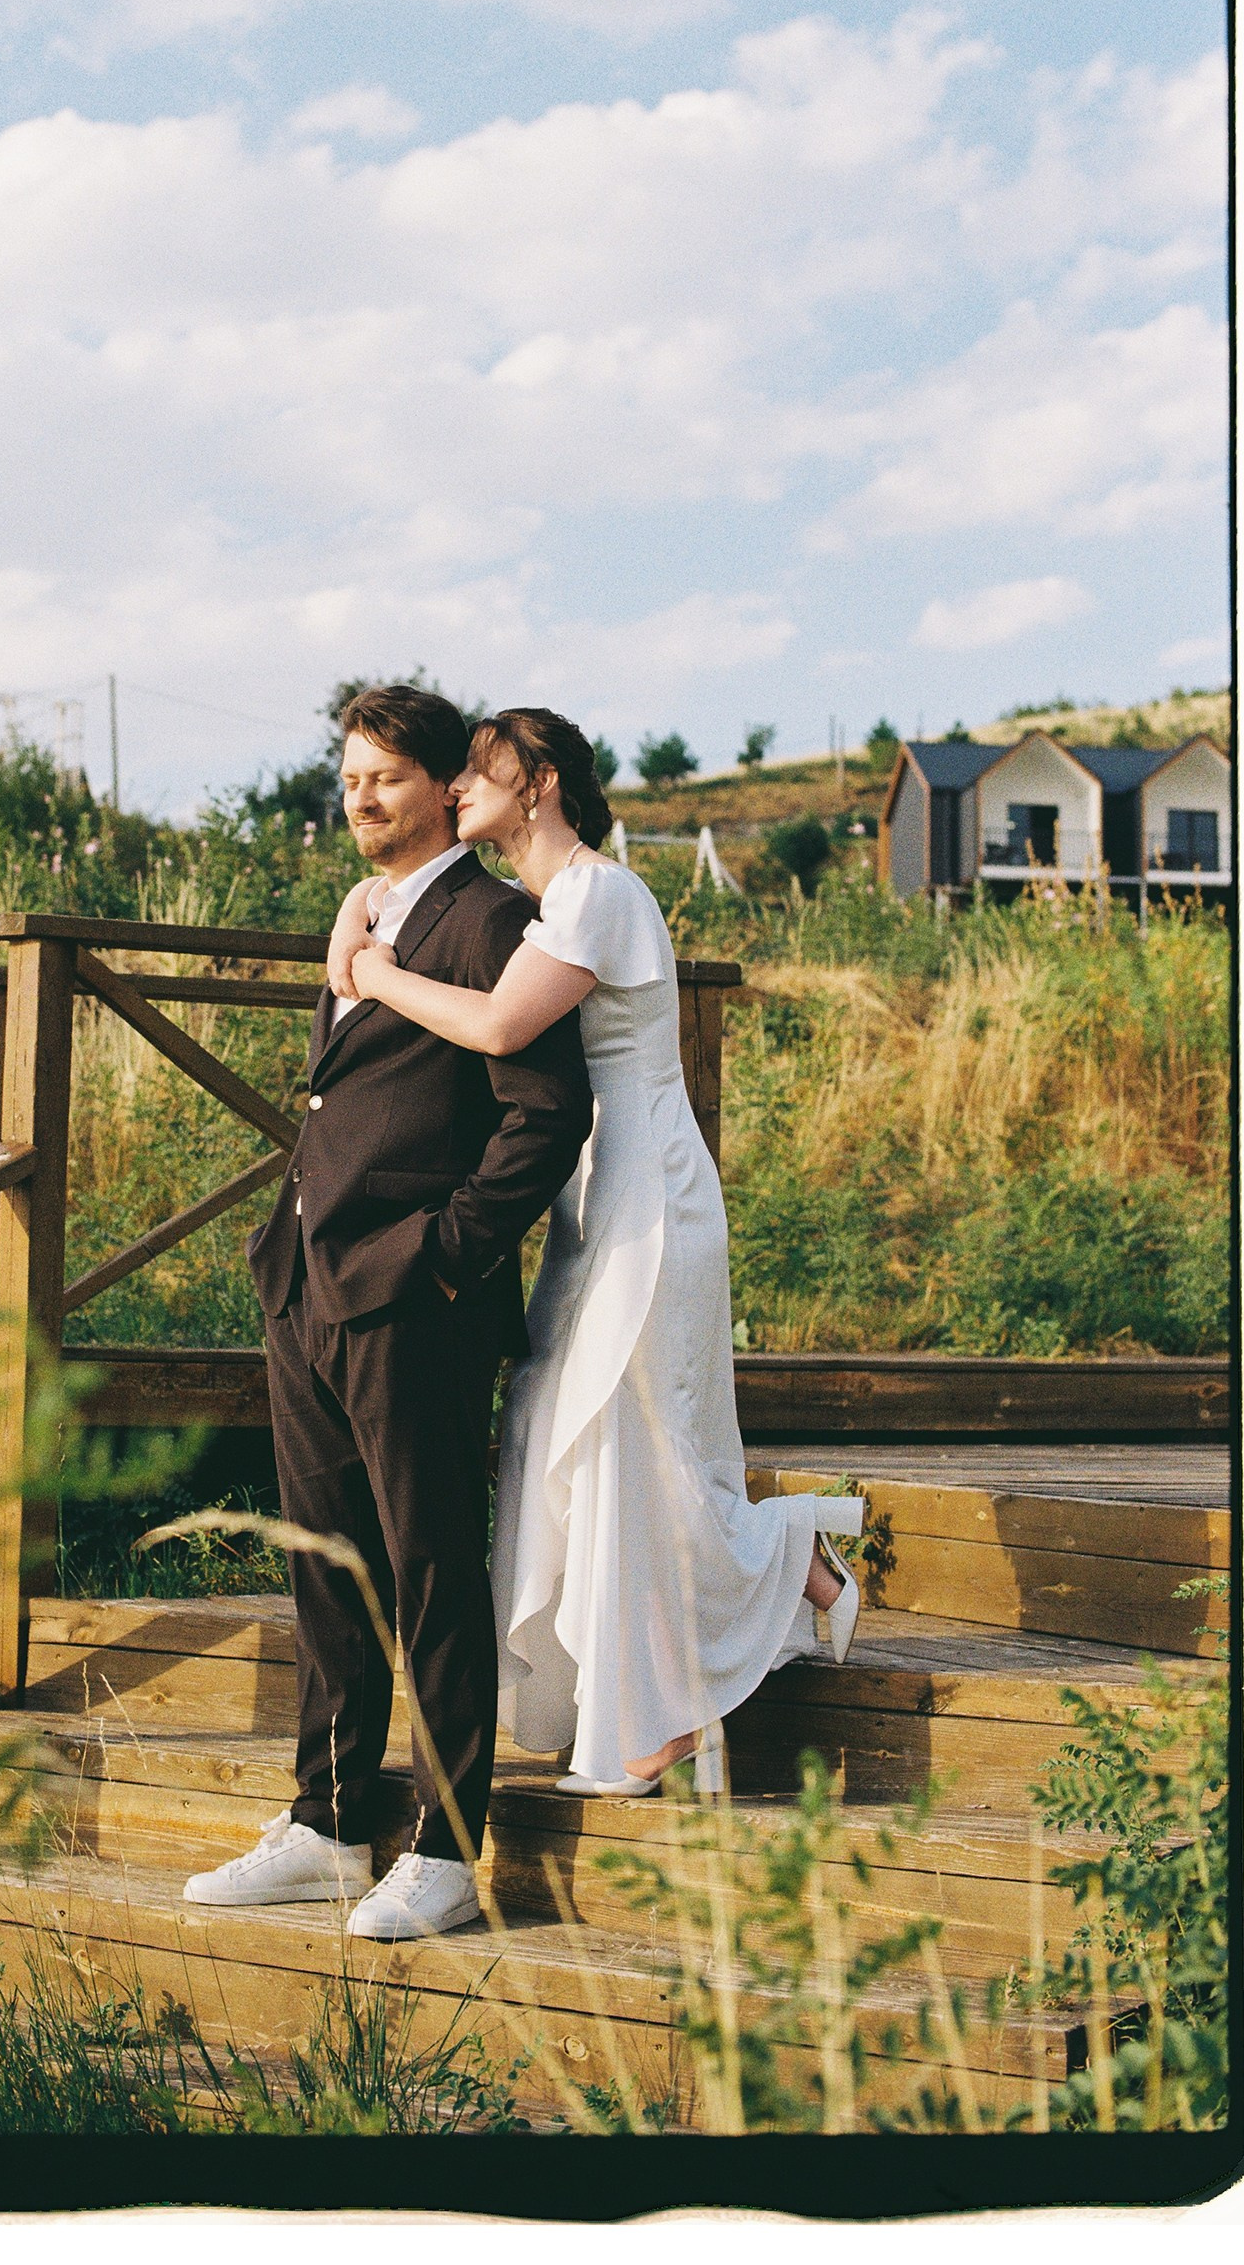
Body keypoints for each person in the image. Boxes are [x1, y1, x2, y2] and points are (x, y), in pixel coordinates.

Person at [329, 707, 864, 1799]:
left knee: (629, 1430)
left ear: (539, 783)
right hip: (594, 1193)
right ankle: (662, 1695)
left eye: (481, 771)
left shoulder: (599, 894)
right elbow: (389, 923)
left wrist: (376, 976)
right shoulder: (546, 903)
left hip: (650, 1191)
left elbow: (498, 1028)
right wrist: (359, 906)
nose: (458, 787)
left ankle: (742, 1617)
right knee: (566, 1423)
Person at [183, 686, 592, 1936]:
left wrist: (445, 1257)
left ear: (445, 788)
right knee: (328, 1567)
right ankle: (328, 1822)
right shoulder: (366, 912)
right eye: (350, 777)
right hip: (308, 1284)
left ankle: (449, 1849)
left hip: (415, 1299)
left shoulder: (492, 921)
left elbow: (545, 1116)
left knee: (431, 1572)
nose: (361, 797)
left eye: (386, 778)